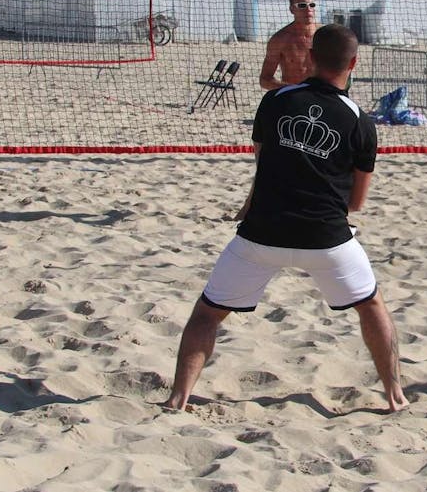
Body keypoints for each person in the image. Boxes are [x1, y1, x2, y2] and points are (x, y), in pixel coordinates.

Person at [165, 24, 408, 413]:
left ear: (310, 57)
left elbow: (263, 165)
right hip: (327, 239)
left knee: (207, 314)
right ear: (354, 63)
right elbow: (357, 203)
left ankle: (178, 397)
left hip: (262, 234)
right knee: (372, 306)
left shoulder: (276, 101)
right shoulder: (361, 120)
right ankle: (395, 394)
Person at [258, 0, 318, 90]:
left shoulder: (326, 36)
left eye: (312, 5)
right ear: (291, 9)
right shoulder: (280, 40)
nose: (308, 9)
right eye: (302, 5)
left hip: (321, 96)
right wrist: (293, 89)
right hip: (295, 97)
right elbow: (265, 80)